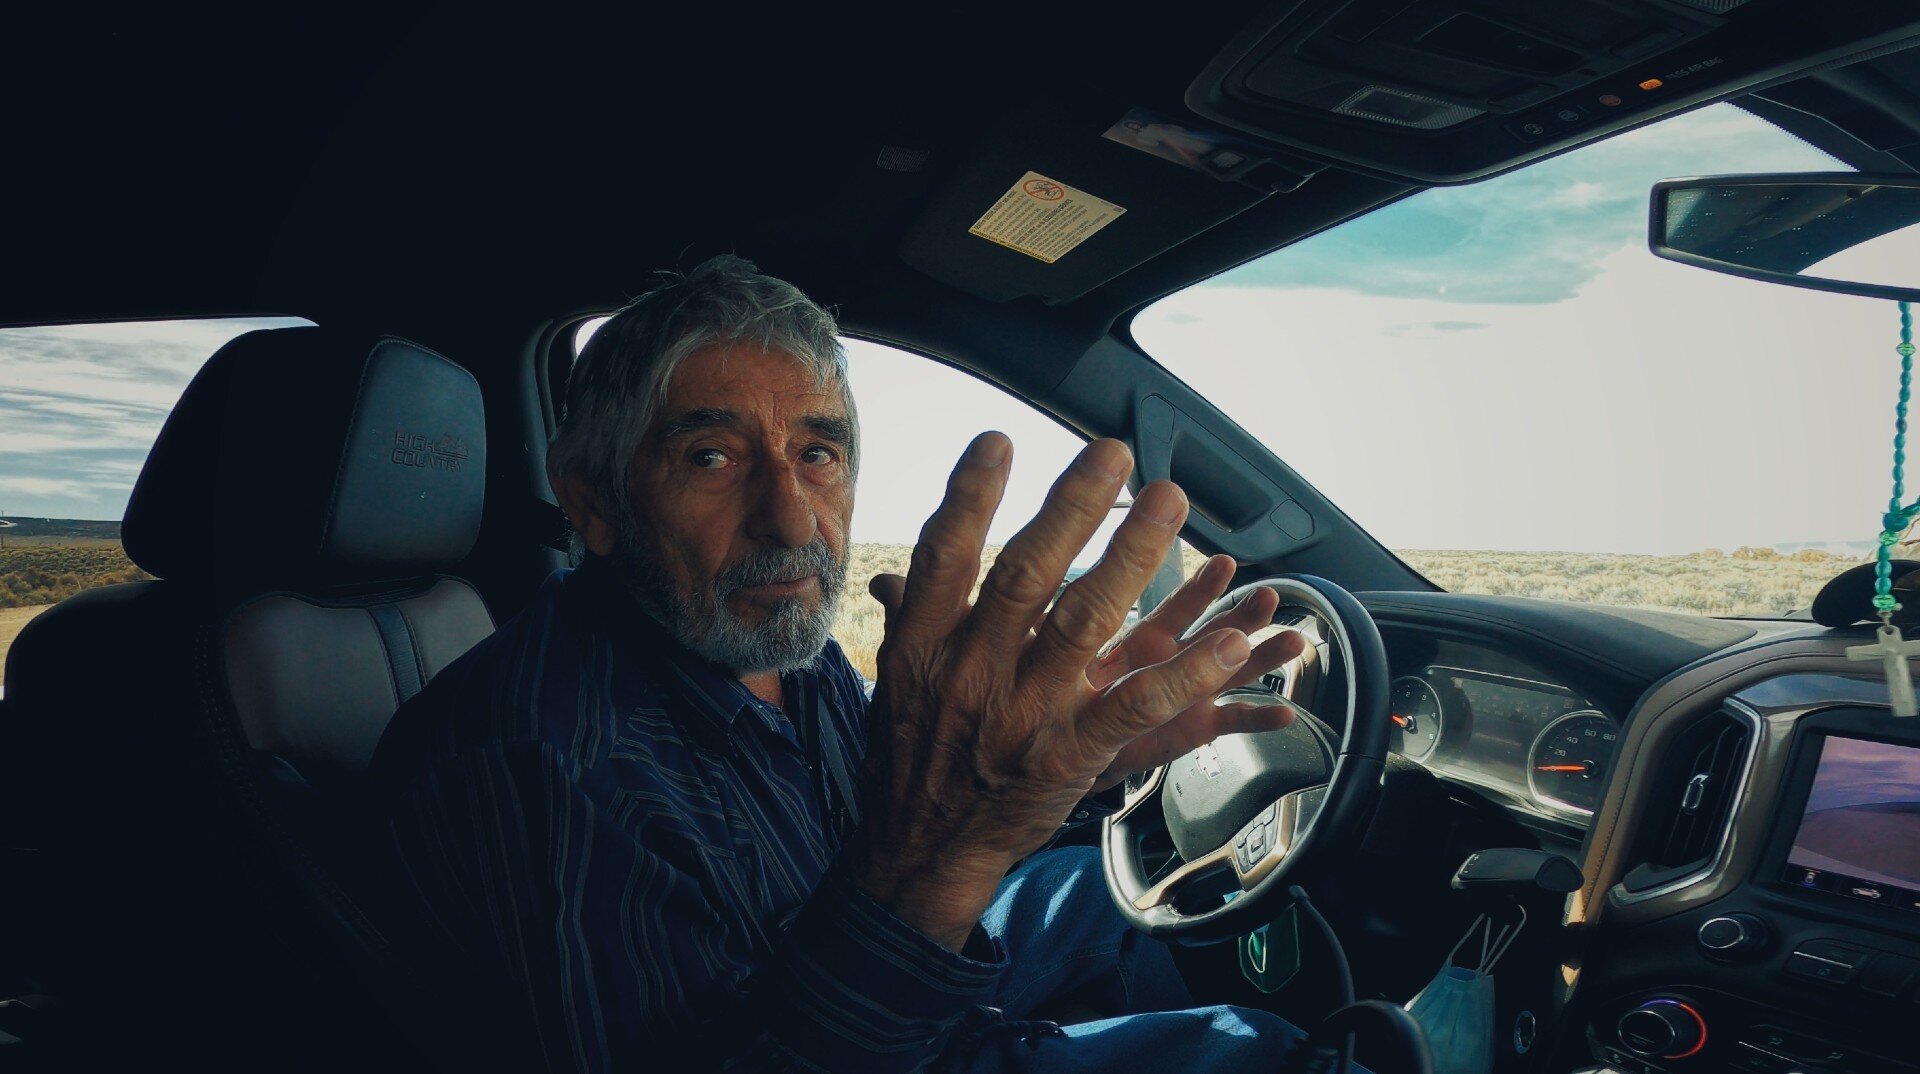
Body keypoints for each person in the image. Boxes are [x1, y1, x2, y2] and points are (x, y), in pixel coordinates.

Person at [370, 254, 1320, 1073]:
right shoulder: (541, 765)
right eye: (710, 458)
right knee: (1265, 1050)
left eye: (817, 453)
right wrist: (952, 854)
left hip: (875, 969)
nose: (791, 521)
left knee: (1098, 893)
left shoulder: (787, 653)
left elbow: (901, 809)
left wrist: (1064, 761)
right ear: (593, 502)